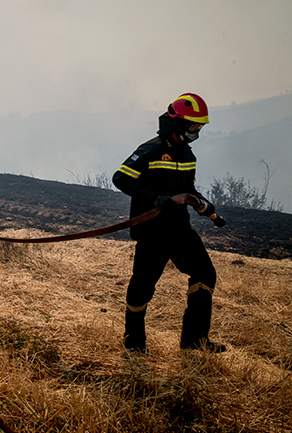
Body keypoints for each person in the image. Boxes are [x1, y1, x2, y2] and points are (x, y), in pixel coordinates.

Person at [112, 93, 225, 354]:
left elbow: (187, 189)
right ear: (176, 123)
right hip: (152, 231)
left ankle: (194, 342)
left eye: (199, 127)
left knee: (205, 274)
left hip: (179, 229)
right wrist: (155, 198)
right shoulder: (150, 150)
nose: (196, 131)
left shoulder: (187, 155)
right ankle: (134, 343)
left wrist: (203, 205)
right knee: (142, 286)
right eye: (193, 126)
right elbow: (121, 178)